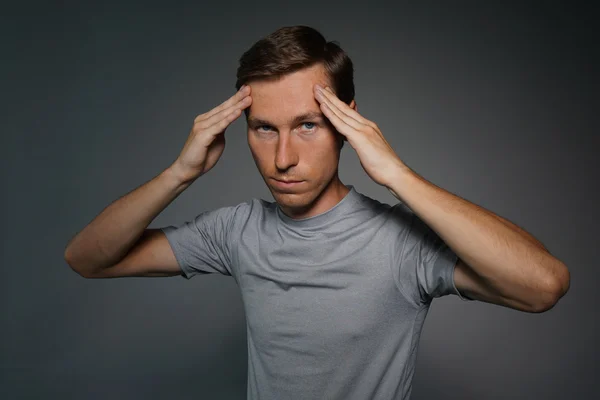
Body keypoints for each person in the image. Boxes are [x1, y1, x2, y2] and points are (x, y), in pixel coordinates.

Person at [64, 25, 570, 400]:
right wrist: (179, 173)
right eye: (264, 129)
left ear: (346, 121)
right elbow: (87, 258)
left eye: (306, 125)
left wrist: (398, 176)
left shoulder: (399, 243)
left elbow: (542, 285)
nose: (283, 158)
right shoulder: (237, 230)